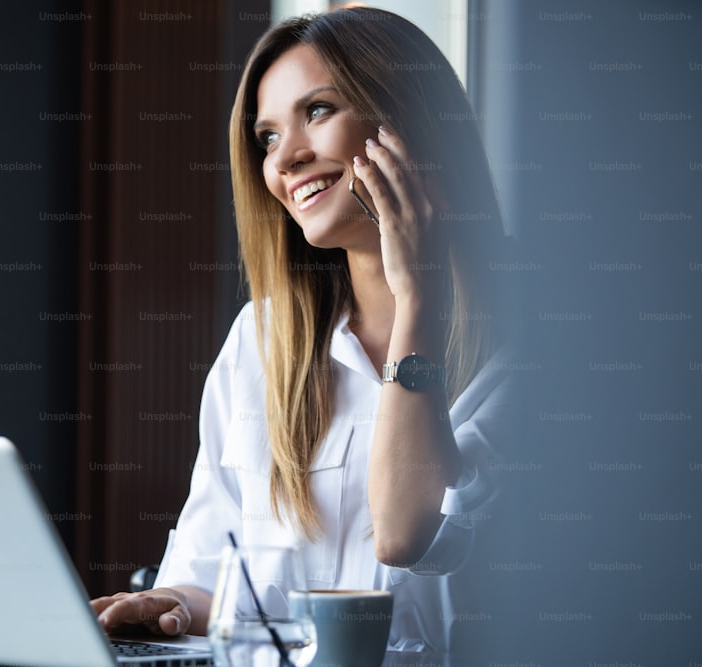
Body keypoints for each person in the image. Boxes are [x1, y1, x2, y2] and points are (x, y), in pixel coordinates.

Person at [92, 6, 517, 653]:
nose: (285, 158)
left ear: (411, 120)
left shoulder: (531, 345)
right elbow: (214, 580)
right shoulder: (261, 339)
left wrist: (418, 292)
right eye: (266, 137)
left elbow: (408, 534)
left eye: (316, 111)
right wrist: (170, 602)